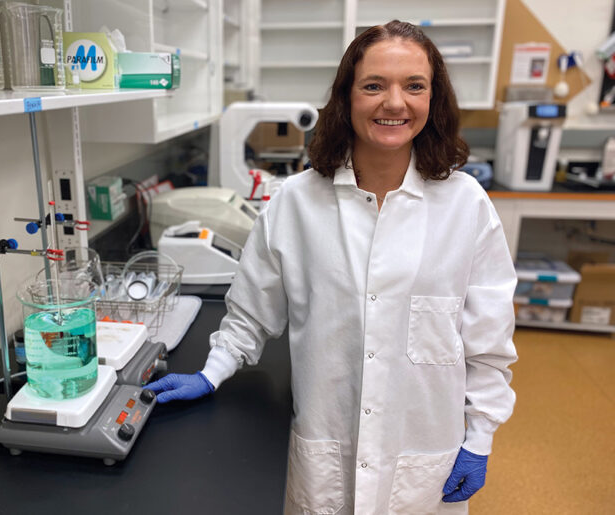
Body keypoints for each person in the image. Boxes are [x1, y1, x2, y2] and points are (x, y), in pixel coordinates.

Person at [145, 20, 518, 514]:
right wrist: (212, 373)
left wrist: (481, 436)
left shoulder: (465, 205)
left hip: (425, 456)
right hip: (326, 450)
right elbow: (252, 314)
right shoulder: (296, 203)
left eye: (414, 86)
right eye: (373, 86)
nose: (394, 103)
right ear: (346, 98)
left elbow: (488, 341)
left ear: (434, 99)